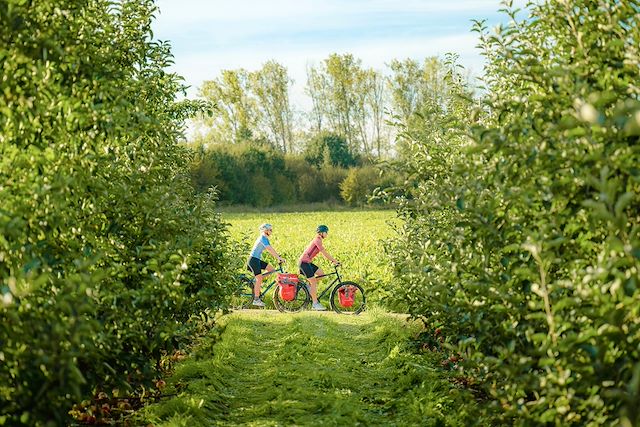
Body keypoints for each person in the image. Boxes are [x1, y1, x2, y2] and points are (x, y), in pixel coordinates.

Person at [298, 224, 340, 311]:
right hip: (303, 263)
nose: (327, 234)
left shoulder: (319, 240)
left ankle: (307, 286)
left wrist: (332, 260)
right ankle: (315, 303)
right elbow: (324, 253)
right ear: (321, 233)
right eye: (326, 232)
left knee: (321, 274)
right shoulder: (317, 240)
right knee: (313, 282)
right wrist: (334, 260)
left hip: (308, 262)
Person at [247, 223, 285, 307]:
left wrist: (278, 256)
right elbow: (269, 249)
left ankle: (255, 282)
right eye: (270, 230)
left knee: (272, 270)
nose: (271, 231)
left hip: (256, 260)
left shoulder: (265, 238)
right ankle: (256, 299)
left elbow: (271, 249)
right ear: (265, 230)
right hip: (253, 260)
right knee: (259, 278)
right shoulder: (262, 238)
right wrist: (278, 258)